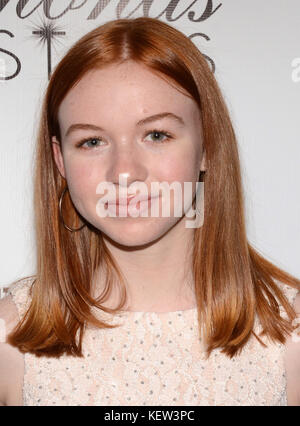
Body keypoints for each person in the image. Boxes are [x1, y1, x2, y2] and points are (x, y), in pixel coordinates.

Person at [0, 16, 299, 407]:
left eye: (156, 135)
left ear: (207, 144)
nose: (124, 171)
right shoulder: (11, 336)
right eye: (92, 141)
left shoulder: (289, 334)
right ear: (60, 160)